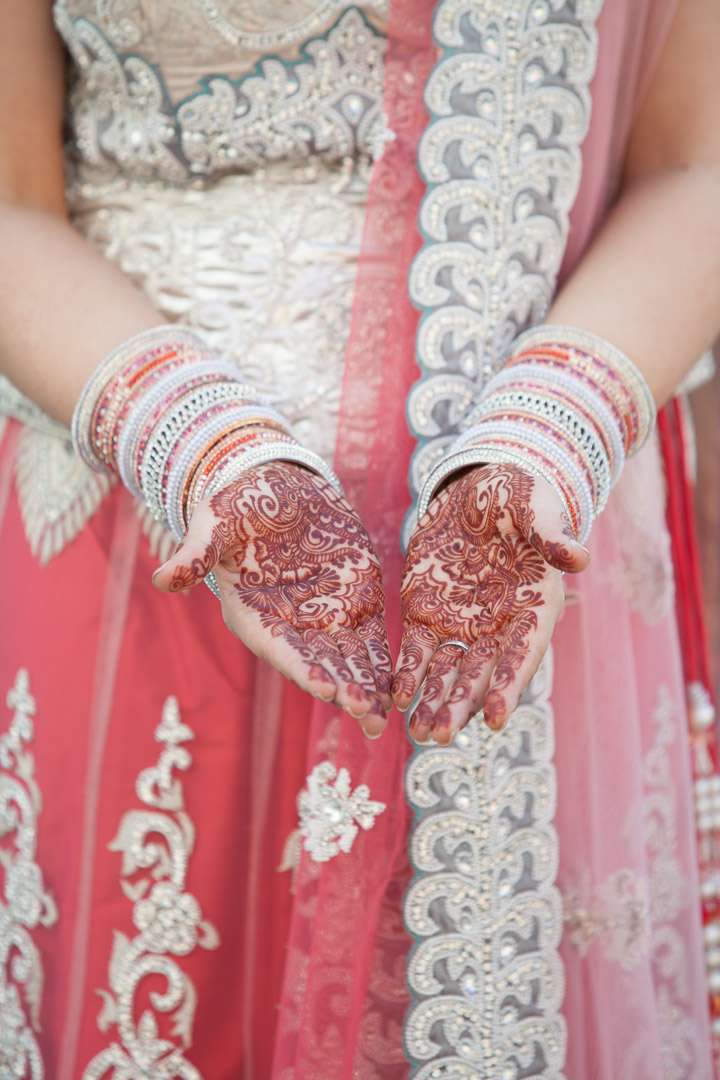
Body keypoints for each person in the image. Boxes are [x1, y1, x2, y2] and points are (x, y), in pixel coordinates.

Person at [0, 1, 718, 1077]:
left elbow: (691, 165)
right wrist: (200, 445)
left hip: (536, 593)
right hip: (150, 575)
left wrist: (548, 438)